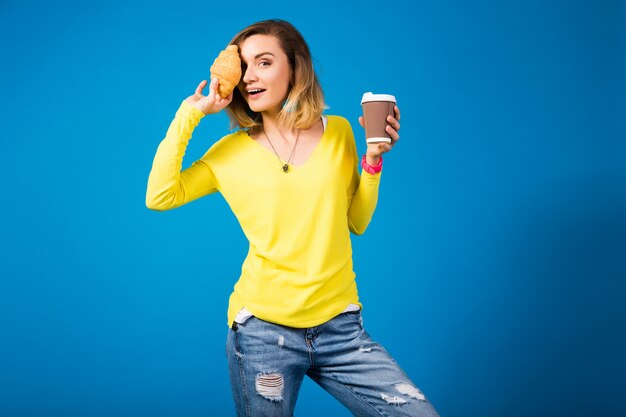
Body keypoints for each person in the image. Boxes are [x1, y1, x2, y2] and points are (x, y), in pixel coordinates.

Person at [146, 18, 440, 417]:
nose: (249, 76)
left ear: (295, 69)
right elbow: (160, 195)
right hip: (264, 333)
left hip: (341, 329)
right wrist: (192, 112)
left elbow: (356, 221)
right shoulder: (227, 154)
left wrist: (372, 161)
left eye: (263, 62)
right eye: (244, 66)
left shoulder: (337, 132)